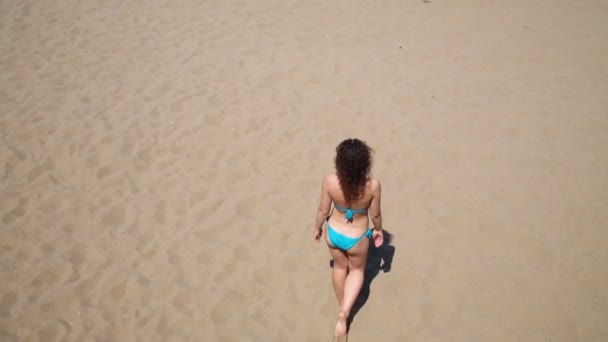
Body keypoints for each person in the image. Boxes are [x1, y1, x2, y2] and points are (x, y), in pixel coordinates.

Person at [313, 138, 384, 339]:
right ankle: (344, 314)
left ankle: (341, 305)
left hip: (333, 233)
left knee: (339, 267)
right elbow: (375, 215)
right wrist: (378, 230)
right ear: (365, 162)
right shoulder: (373, 186)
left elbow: (322, 210)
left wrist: (317, 228)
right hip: (357, 237)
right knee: (357, 270)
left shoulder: (329, 181)